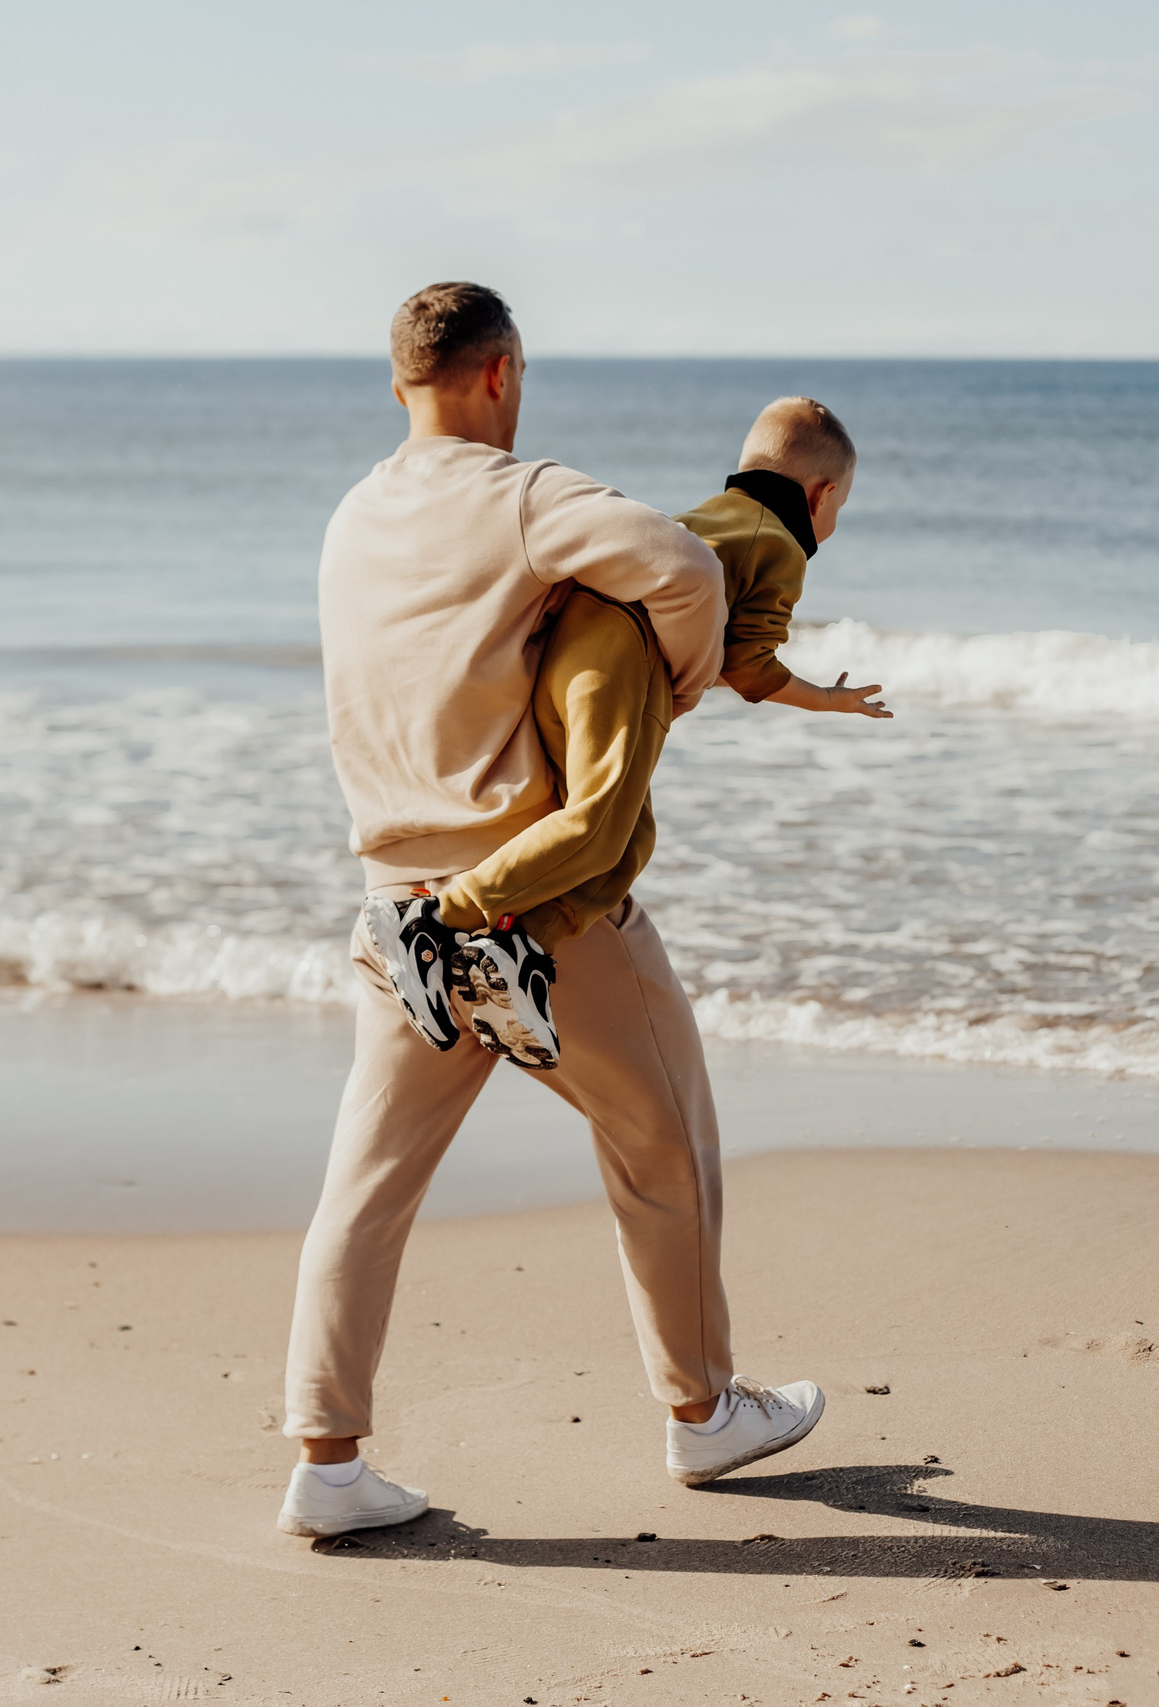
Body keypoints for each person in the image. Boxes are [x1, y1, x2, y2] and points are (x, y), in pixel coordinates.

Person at [276, 283, 827, 1540]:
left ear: (399, 382)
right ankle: (703, 1415)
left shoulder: (354, 515)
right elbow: (685, 563)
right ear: (502, 371)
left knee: (365, 1188)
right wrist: (683, 684)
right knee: (663, 1143)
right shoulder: (523, 495)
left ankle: (328, 1461)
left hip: (399, 910)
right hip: (543, 913)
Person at [383, 397, 886, 1069]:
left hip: (571, 648)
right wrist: (826, 699)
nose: (832, 524)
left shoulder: (718, 513)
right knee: (596, 825)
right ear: (820, 496)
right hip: (626, 662)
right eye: (839, 510)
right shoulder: (781, 544)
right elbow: (748, 663)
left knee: (625, 843)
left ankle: (514, 944)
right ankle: (439, 919)